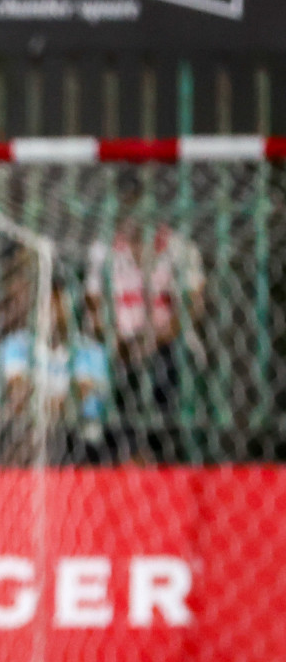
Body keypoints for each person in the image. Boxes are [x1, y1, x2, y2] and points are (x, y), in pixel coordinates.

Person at [84, 173, 205, 461]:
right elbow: (94, 305)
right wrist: (114, 339)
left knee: (164, 370)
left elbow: (193, 306)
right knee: (111, 378)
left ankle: (154, 452)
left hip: (167, 344)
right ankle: (120, 455)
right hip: (119, 346)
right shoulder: (103, 251)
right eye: (124, 204)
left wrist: (153, 340)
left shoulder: (178, 248)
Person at [0, 283, 112, 466]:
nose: (53, 313)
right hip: (29, 430)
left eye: (59, 305)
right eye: (46, 305)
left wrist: (43, 404)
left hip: (79, 433)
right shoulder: (17, 345)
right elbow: (18, 392)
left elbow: (77, 398)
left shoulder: (92, 351)